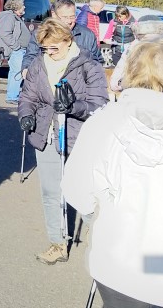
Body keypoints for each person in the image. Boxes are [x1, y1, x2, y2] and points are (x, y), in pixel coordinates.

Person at [63, 40, 163, 308]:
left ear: (130, 71)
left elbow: (77, 192)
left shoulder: (104, 122)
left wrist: (97, 214)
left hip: (121, 256)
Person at [18, 18, 108, 265]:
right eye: (45, 48)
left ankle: (102, 238)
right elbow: (27, 96)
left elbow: (100, 105)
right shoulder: (39, 64)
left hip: (78, 136)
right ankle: (57, 243)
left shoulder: (88, 65)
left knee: (84, 192)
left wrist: (74, 107)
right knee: (50, 193)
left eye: (54, 48)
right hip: (46, 133)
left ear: (68, 41)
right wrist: (26, 115)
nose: (49, 52)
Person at [24, 0, 102, 68]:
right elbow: (30, 57)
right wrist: (26, 69)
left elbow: (97, 61)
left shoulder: (88, 35)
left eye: (72, 17)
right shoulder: (40, 33)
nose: (69, 21)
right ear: (54, 14)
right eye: (65, 17)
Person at [109, 15, 163, 94]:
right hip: (147, 87)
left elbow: (123, 64)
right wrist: (116, 81)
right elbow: (123, 63)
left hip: (159, 87)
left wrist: (117, 82)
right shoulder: (134, 45)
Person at [0, 0, 31, 104]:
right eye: (22, 5)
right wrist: (16, 46)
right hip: (17, 51)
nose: (24, 7)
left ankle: (12, 95)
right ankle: (12, 97)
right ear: (16, 6)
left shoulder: (16, 18)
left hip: (20, 50)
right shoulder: (9, 17)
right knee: (17, 73)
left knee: (14, 73)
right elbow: (4, 33)